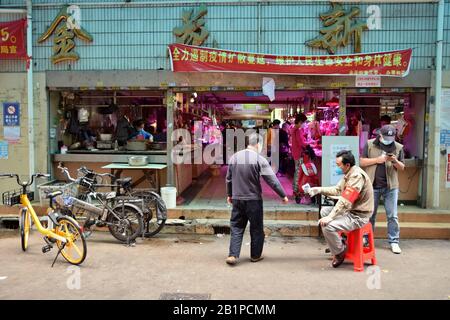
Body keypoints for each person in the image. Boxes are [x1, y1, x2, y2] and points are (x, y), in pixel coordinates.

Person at [225, 133, 289, 266]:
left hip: (237, 198)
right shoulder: (260, 159)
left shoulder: (234, 158)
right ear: (258, 144)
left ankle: (233, 255)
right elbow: (272, 180)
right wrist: (283, 195)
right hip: (254, 200)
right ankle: (255, 256)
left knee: (236, 226)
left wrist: (230, 194)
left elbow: (228, 179)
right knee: (256, 228)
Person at [307, 150, 374, 268]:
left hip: (358, 216)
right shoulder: (349, 173)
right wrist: (318, 189)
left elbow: (345, 201)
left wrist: (330, 218)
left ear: (347, 165)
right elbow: (337, 190)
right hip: (351, 211)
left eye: (339, 165)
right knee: (324, 211)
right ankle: (338, 242)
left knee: (327, 225)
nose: (337, 167)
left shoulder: (356, 176)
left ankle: (340, 252)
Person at [360, 124, 405, 254]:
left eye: (391, 137)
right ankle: (366, 241)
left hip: (391, 187)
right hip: (372, 186)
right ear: (380, 135)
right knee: (369, 215)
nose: (388, 140)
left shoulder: (398, 147)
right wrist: (377, 160)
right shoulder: (370, 144)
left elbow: (402, 167)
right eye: (386, 137)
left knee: (392, 216)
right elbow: (361, 162)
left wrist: (395, 161)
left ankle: (394, 241)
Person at [290, 113, 307, 203]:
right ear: (300, 122)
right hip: (299, 153)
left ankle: (295, 189)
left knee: (296, 171)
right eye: (304, 122)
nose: (304, 124)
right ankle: (297, 191)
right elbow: (301, 142)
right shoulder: (298, 130)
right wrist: (308, 144)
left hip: (295, 153)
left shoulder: (293, 129)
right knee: (298, 172)